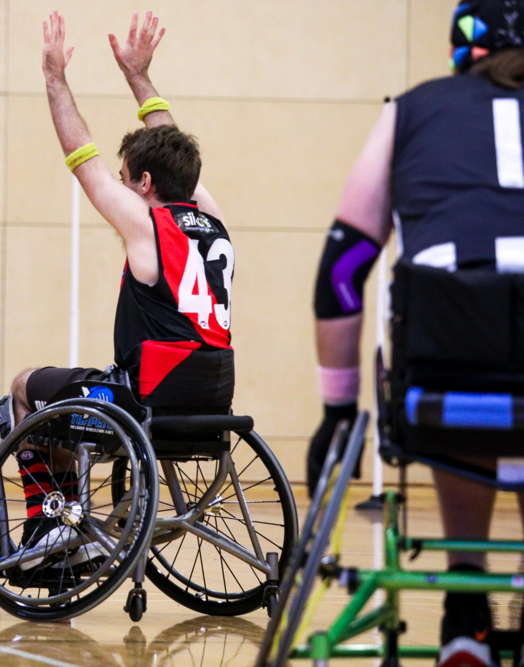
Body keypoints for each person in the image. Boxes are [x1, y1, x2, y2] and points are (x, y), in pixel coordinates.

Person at [306, 2, 524, 665]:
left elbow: (343, 268)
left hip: (445, 379)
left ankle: (466, 611)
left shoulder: (412, 108)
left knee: (465, 378)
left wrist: (338, 413)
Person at [3, 11, 235, 571]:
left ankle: (48, 525)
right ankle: (81, 519)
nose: (124, 187)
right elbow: (177, 149)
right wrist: (139, 77)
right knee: (67, 389)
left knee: (24, 388)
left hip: (145, 397)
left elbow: (82, 158)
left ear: (146, 185)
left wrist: (55, 77)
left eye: (131, 178)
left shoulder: (147, 225)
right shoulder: (214, 218)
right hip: (213, 396)